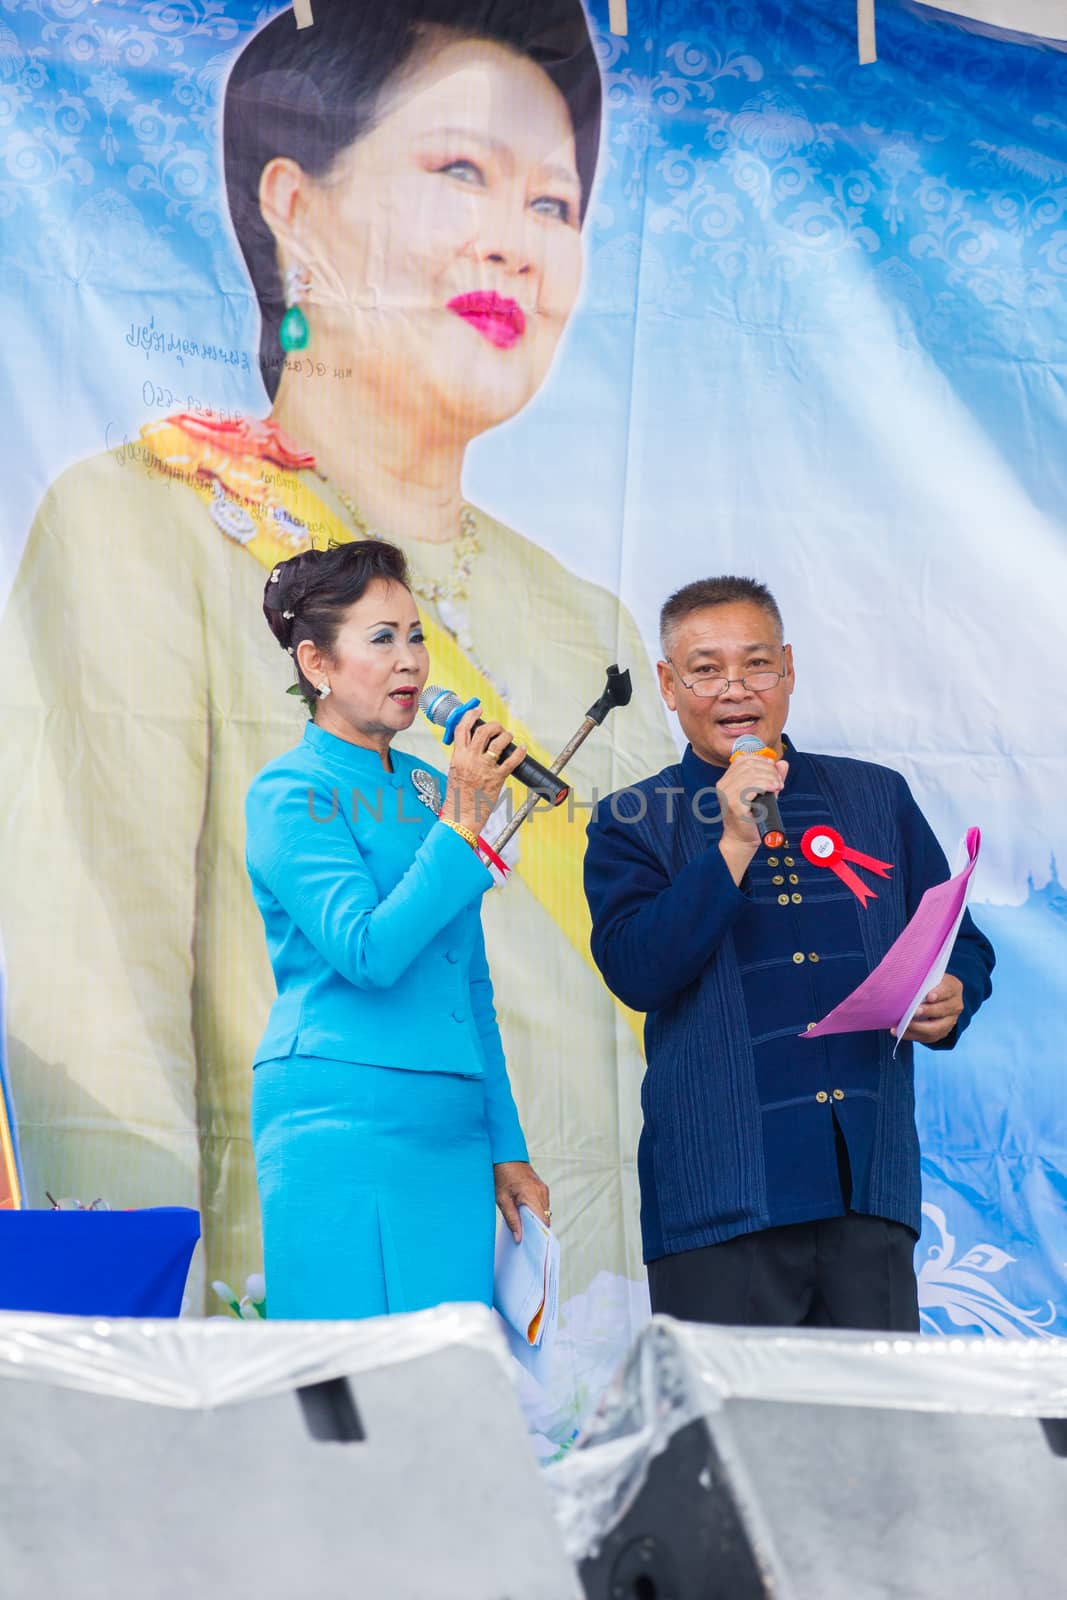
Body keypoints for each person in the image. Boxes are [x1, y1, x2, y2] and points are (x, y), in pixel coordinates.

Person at [0, 0, 675, 1301]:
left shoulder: (585, 621)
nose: (517, 242)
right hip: (295, 1319)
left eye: (553, 204)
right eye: (460, 171)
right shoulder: (146, 521)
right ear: (293, 208)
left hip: (567, 1324)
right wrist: (153, 1359)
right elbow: (94, 1010)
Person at [583, 576, 996, 1331]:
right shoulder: (631, 822)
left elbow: (956, 937)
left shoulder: (874, 797)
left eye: (756, 664)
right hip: (719, 1196)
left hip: (864, 1191)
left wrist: (953, 990)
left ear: (790, 672)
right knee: (733, 1441)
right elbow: (636, 972)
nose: (734, 689)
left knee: (876, 1437)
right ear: (668, 687)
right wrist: (732, 843)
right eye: (706, 670)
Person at [247, 538, 549, 1317]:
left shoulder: (427, 786)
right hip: (341, 1114)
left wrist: (506, 1146)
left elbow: (466, 980)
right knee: (355, 1383)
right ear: (316, 664)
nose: (409, 660)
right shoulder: (290, 791)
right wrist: (462, 822)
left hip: (449, 1127)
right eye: (381, 639)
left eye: (415, 636)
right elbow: (367, 951)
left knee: (446, 1379)